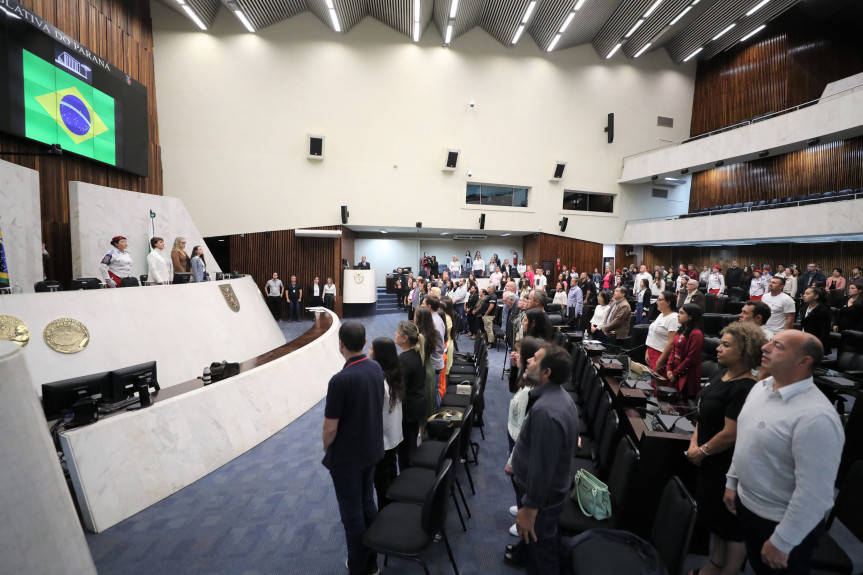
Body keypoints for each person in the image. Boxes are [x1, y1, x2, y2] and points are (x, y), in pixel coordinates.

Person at [723, 331, 844, 575]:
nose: (765, 347)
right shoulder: (761, 388)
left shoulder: (816, 417)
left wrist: (783, 542)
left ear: (803, 361)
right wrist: (732, 481)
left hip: (780, 523)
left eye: (777, 346)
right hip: (747, 506)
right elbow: (747, 439)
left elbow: (815, 494)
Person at [687, 322, 766, 575]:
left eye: (726, 345)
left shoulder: (745, 387)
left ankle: (728, 571)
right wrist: (694, 442)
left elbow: (732, 433)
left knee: (729, 524)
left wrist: (702, 451)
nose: (718, 348)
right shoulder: (721, 374)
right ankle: (715, 565)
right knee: (715, 518)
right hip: (708, 457)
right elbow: (703, 414)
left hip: (725, 463)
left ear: (743, 351)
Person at [507, 344, 579, 574]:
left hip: (542, 501)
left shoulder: (546, 411)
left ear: (547, 372)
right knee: (538, 546)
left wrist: (530, 508)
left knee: (542, 557)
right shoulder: (557, 396)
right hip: (545, 496)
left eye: (535, 359)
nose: (528, 360)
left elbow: (542, 468)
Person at [321, 321, 384, 575]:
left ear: (340, 345)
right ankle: (372, 563)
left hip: (348, 458)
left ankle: (359, 568)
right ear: (365, 342)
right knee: (367, 503)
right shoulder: (375, 367)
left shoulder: (340, 380)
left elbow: (329, 429)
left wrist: (328, 450)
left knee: (352, 514)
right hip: (371, 449)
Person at [503, 336, 542, 564]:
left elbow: (526, 429)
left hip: (519, 443)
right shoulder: (526, 378)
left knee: (520, 482)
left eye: (518, 352)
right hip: (513, 434)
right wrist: (514, 366)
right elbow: (511, 388)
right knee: (517, 484)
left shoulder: (532, 391)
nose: (514, 354)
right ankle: (520, 506)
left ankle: (523, 515)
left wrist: (512, 458)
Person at [369, 337, 404, 511]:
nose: (369, 352)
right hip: (394, 435)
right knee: (391, 471)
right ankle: (392, 507)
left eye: (371, 349)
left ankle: (385, 514)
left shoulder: (379, 381)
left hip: (383, 440)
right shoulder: (396, 373)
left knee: (382, 483)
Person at [395, 321, 425, 470]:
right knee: (410, 445)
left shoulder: (404, 360)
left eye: (398, 333)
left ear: (405, 338)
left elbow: (399, 389)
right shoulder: (417, 353)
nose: (395, 335)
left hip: (408, 411)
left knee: (405, 451)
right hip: (416, 407)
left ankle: (406, 482)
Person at [666, 303, 704, 397]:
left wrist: (675, 373)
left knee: (681, 404)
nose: (678, 315)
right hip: (675, 370)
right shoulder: (681, 330)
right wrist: (669, 369)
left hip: (687, 374)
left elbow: (691, 358)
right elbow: (673, 351)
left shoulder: (696, 334)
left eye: (681, 313)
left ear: (691, 316)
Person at [645, 291, 678, 391]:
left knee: (661, 386)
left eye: (660, 300)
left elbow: (672, 342)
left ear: (668, 302)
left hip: (662, 355)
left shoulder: (673, 318)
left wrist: (660, 360)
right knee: (653, 384)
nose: (656, 302)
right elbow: (653, 334)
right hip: (652, 352)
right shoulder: (661, 315)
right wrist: (647, 351)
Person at [413, 306, 440, 419]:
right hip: (429, 368)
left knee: (422, 402)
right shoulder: (433, 332)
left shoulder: (418, 336)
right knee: (430, 400)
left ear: (418, 318)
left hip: (422, 369)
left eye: (415, 315)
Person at [799, 286, 832, 352]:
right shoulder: (804, 307)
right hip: (804, 339)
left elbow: (824, 331)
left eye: (807, 294)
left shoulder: (823, 310)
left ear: (816, 296)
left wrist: (820, 346)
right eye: (804, 293)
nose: (804, 295)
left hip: (815, 342)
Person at [477, 284, 498, 349]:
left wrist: (486, 313)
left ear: (492, 289)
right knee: (486, 329)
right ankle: (487, 341)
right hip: (485, 315)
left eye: (489, 287)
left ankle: (491, 343)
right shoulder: (489, 295)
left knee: (489, 329)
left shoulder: (493, 296)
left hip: (488, 315)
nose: (487, 288)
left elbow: (491, 306)